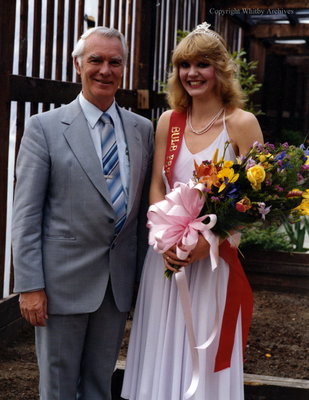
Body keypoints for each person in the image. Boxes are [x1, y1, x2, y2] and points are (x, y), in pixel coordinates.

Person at [121, 22, 263, 400]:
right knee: (160, 346)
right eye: (184, 65)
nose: (192, 74)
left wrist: (208, 243)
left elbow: (256, 202)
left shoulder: (241, 124)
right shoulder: (169, 121)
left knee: (201, 345)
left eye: (202, 64)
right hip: (166, 260)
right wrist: (164, 240)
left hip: (212, 264)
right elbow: (156, 185)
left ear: (220, 69)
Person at [12, 26, 153, 400]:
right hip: (60, 287)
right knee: (58, 388)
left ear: (123, 69)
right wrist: (30, 285)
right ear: (78, 64)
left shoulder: (142, 130)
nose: (105, 70)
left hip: (116, 288)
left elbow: (141, 216)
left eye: (114, 62)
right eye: (96, 60)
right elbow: (25, 213)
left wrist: (141, 280)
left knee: (98, 386)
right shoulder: (45, 128)